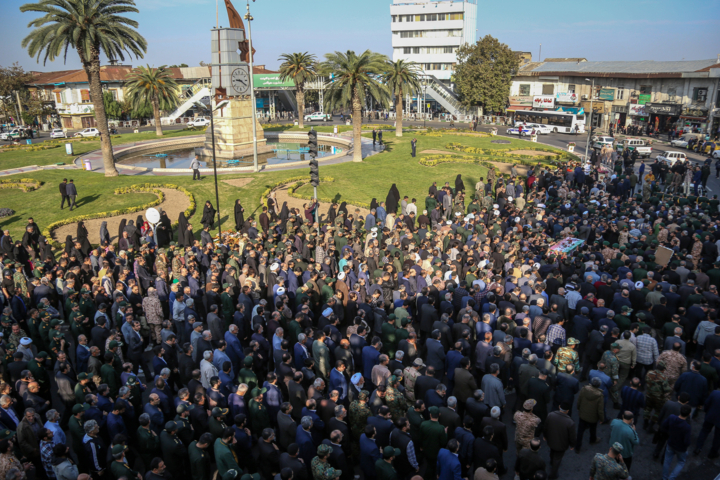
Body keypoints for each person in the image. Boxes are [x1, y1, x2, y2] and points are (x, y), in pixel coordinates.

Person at [661, 404, 692, 480]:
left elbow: (664, 425)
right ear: (689, 414)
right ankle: (671, 478)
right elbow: (687, 442)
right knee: (681, 462)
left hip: (671, 443)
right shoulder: (687, 427)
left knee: (667, 461)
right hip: (680, 448)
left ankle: (664, 478)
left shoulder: (672, 417)